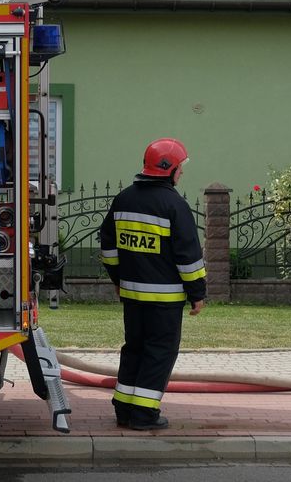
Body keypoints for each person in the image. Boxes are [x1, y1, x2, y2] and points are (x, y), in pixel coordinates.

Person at [99, 137, 206, 430]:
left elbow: (108, 246)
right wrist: (198, 293)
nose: (181, 173)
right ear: (169, 169)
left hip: (132, 295)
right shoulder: (175, 205)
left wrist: (118, 279)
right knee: (159, 352)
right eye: (180, 167)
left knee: (134, 348)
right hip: (165, 301)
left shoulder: (123, 199)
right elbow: (189, 257)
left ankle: (124, 409)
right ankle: (144, 414)